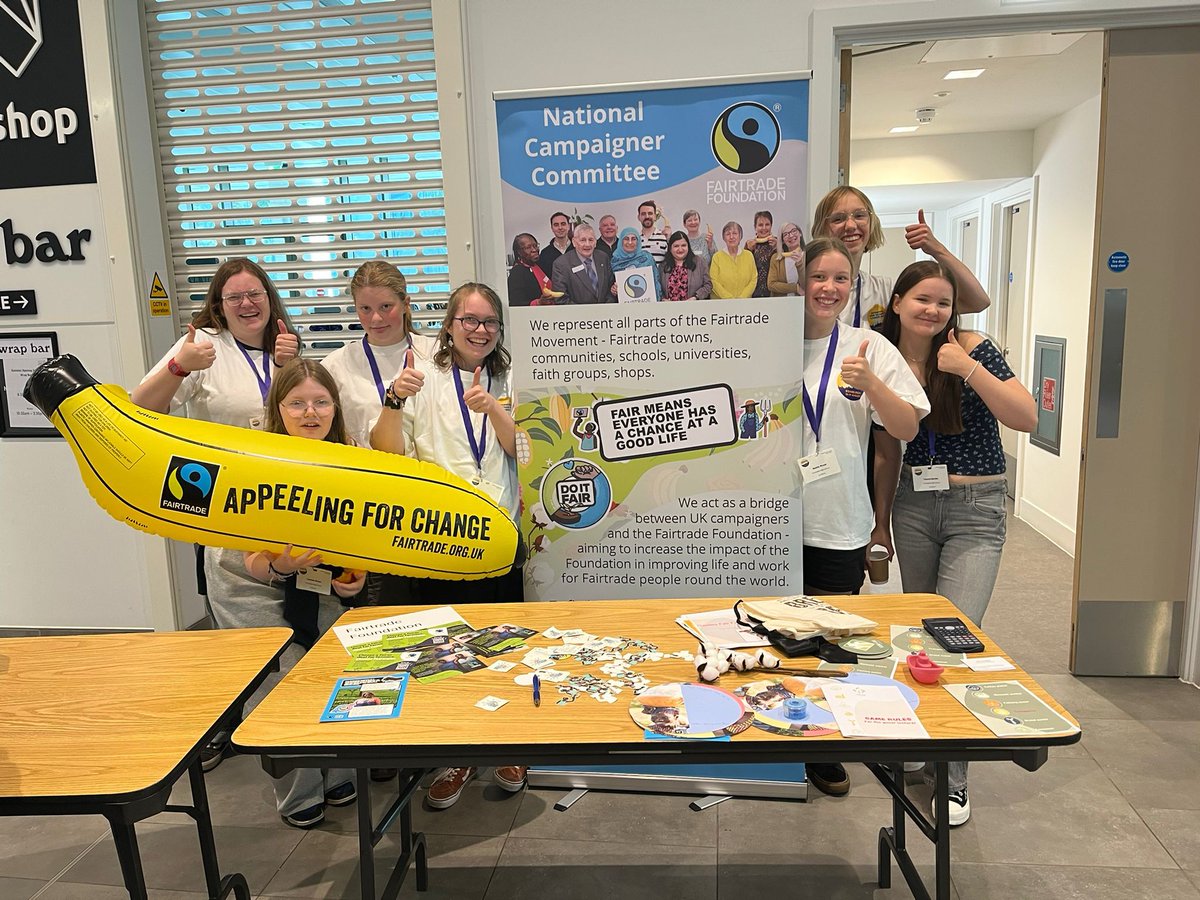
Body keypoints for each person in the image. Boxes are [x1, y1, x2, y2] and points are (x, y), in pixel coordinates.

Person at [874, 260, 1037, 826]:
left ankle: (955, 778)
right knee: (920, 641)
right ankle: (922, 746)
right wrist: (881, 523)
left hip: (976, 508)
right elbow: (888, 448)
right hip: (914, 509)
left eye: (942, 302)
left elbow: (1026, 417)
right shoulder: (884, 354)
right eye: (922, 299)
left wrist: (967, 369)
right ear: (897, 302)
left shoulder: (973, 347)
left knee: (956, 639)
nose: (932, 310)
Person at [131, 257, 299, 772]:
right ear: (218, 306)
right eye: (235, 297)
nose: (247, 304)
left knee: (302, 631)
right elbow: (139, 406)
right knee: (252, 641)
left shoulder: (285, 346)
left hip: (293, 511)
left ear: (269, 298)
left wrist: (291, 363)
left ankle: (310, 751)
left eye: (255, 294)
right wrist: (182, 365)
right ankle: (258, 745)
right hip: (229, 514)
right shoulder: (200, 347)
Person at [371, 282, 528, 809]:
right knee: (453, 651)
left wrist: (495, 409)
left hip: (501, 533)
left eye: (489, 322)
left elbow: (523, 449)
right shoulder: (423, 376)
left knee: (504, 644)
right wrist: (395, 398)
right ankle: (458, 755)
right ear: (449, 322)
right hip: (442, 539)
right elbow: (385, 449)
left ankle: (508, 745)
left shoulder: (513, 374)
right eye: (470, 320)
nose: (480, 330)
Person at [797, 238, 929, 799]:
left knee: (828, 641)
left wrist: (870, 383)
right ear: (796, 281)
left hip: (835, 520)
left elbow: (906, 429)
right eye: (818, 277)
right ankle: (773, 738)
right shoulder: (761, 341)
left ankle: (821, 749)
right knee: (766, 633)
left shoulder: (867, 346)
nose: (829, 288)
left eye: (841, 279)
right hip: (760, 520)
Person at [236, 358, 367, 828]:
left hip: (336, 596)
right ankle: (298, 791)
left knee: (340, 684)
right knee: (287, 689)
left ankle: (336, 773)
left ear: (335, 407)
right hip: (282, 594)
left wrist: (359, 577)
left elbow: (369, 533)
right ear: (279, 408)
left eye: (320, 402)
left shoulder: (355, 456)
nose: (310, 412)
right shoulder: (258, 462)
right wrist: (281, 565)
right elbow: (249, 554)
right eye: (297, 403)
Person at [810, 187, 991, 329]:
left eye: (859, 216)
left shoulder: (885, 290)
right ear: (822, 228)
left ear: (872, 224)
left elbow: (977, 302)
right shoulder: (807, 287)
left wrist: (937, 250)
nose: (850, 225)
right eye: (838, 219)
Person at [321, 260, 437, 449]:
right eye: (365, 309)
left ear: (406, 304)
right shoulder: (335, 366)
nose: (376, 318)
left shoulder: (436, 355)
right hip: (366, 474)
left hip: (430, 473)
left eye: (385, 307)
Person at [551, 223, 615, 304]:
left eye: (591, 240)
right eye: (583, 240)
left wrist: (605, 308)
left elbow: (611, 287)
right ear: (574, 242)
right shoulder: (561, 264)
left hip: (605, 313)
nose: (587, 244)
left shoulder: (603, 257)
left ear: (595, 242)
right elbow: (560, 298)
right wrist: (584, 314)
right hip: (577, 315)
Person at [506, 233, 558, 308]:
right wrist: (538, 302)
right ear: (519, 252)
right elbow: (516, 303)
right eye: (528, 247)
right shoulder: (517, 272)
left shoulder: (539, 265)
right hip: (534, 318)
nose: (534, 250)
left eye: (535, 245)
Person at [610, 227, 663, 301]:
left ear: (638, 241)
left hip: (648, 305)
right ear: (621, 241)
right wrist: (613, 290)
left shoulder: (647, 258)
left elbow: (656, 282)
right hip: (625, 308)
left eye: (633, 239)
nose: (630, 242)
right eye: (626, 239)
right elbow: (610, 284)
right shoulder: (615, 261)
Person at [659, 230, 711, 302]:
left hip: (694, 309)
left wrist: (696, 297)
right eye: (676, 246)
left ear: (688, 246)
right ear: (670, 249)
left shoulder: (700, 262)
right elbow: (658, 287)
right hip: (669, 310)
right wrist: (663, 299)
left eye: (683, 245)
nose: (680, 249)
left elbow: (708, 285)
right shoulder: (663, 266)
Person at [709, 221, 757, 299]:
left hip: (744, 304)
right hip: (721, 304)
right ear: (724, 238)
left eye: (735, 233)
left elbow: (753, 279)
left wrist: (742, 298)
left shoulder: (749, 255)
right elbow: (713, 281)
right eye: (728, 234)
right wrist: (729, 298)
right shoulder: (717, 257)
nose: (731, 237)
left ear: (740, 236)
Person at [768, 222, 806, 296]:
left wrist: (799, 264)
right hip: (781, 303)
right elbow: (771, 284)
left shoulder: (809, 255)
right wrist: (795, 288)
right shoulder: (776, 258)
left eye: (794, 231)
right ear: (783, 241)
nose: (791, 235)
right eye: (786, 234)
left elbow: (806, 286)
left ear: (800, 233)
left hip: (802, 303)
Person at [744, 210, 777, 297]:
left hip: (773, 292)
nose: (764, 228)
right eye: (760, 225)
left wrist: (777, 248)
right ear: (755, 227)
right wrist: (749, 251)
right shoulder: (749, 244)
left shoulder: (778, 243)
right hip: (754, 292)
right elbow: (744, 269)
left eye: (767, 224)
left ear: (771, 226)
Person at [637, 199, 669, 265]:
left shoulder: (664, 236)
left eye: (650, 213)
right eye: (643, 214)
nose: (647, 216)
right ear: (639, 217)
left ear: (655, 216)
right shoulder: (635, 239)